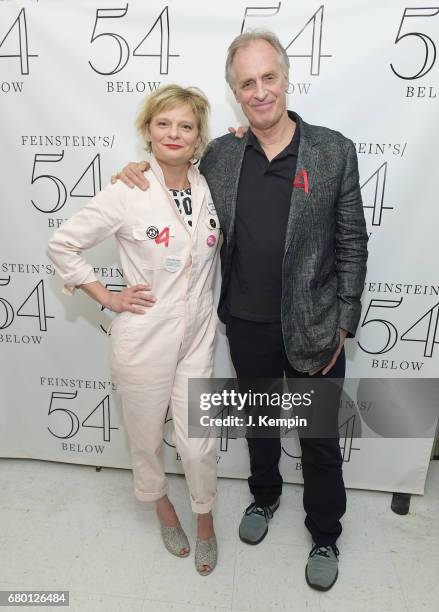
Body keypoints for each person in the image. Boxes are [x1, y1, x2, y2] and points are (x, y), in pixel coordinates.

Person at [112, 30, 368, 591]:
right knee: (259, 424)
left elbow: (352, 243)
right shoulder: (223, 155)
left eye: (268, 78)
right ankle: (264, 498)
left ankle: (325, 530)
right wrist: (132, 174)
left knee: (318, 436)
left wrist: (343, 323)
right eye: (246, 83)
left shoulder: (333, 150)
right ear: (234, 91)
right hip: (245, 323)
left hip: (316, 326)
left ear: (285, 77)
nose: (259, 92)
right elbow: (169, 172)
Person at [47, 84, 221, 576]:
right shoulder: (128, 189)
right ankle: (162, 506)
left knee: (199, 441)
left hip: (199, 335)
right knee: (145, 438)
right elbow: (63, 245)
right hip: (143, 335)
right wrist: (106, 296)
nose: (174, 133)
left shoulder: (210, 185)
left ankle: (205, 518)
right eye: (163, 123)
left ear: (198, 137)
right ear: (148, 130)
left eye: (185, 126)